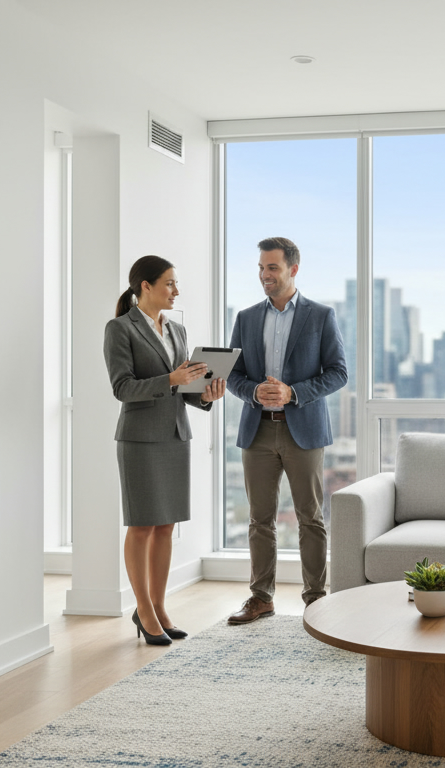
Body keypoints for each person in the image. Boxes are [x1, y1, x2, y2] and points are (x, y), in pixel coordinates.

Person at [104, 255, 226, 645]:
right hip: (139, 438)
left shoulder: (176, 329)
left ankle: (159, 607)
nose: (176, 291)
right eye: (170, 283)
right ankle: (143, 610)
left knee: (166, 525)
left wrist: (205, 395)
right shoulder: (119, 329)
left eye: (176, 284)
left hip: (175, 434)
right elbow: (122, 388)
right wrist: (170, 378)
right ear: (145, 286)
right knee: (141, 525)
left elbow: (181, 390)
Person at [225, 237, 347, 624]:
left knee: (310, 517)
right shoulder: (245, 318)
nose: (265, 275)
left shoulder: (320, 316)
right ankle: (261, 598)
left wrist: (293, 392)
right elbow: (233, 375)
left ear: (293, 269)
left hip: (303, 431)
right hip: (257, 430)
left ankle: (316, 600)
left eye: (272, 268)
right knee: (260, 519)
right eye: (261, 268)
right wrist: (254, 390)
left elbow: (339, 373)